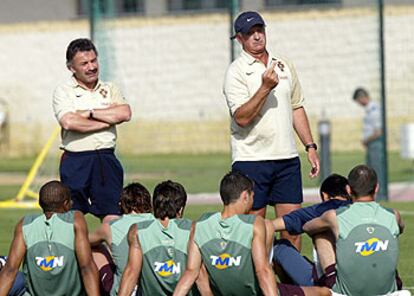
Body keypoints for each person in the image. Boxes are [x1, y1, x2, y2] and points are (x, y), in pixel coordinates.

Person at [223, 11, 320, 249]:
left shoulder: (284, 65)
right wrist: (265, 87)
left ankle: (291, 287)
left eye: (260, 30)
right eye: (249, 33)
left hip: (286, 160)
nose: (257, 37)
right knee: (254, 234)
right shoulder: (236, 72)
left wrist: (310, 146)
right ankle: (256, 286)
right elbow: (242, 118)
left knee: (292, 231)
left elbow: (296, 107)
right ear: (239, 39)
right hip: (252, 161)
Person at [173, 171, 330, 296]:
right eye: (253, 196)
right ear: (245, 196)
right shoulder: (255, 225)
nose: (253, 200)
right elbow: (263, 271)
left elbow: (191, 273)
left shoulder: (199, 226)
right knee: (323, 293)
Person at [52, 38, 132, 221]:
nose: (91, 67)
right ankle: (82, 249)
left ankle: (105, 250)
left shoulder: (110, 88)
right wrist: (106, 120)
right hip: (75, 161)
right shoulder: (63, 91)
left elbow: (125, 113)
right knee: (73, 219)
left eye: (93, 61)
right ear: (71, 67)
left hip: (106, 159)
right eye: (84, 63)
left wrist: (88, 113)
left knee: (112, 218)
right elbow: (69, 122)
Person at [304, 165, 405, 295]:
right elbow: (401, 228)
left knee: (321, 233)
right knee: (388, 237)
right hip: (387, 290)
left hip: (348, 291)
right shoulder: (394, 215)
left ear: (348, 189)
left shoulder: (334, 216)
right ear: (377, 188)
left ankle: (331, 284)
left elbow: (307, 227)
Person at [0, 180, 100, 296]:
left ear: (40, 203)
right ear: (66, 203)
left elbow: (10, 271)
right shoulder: (76, 220)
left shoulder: (24, 224)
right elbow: (86, 267)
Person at [118, 180, 209, 296]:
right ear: (180, 209)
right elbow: (201, 278)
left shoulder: (137, 231)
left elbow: (131, 274)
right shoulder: (193, 230)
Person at [270, 174, 352, 286]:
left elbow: (276, 224)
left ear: (325, 196)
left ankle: (295, 290)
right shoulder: (361, 210)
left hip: (328, 283)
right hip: (363, 278)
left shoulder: (321, 210)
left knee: (279, 247)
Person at [89, 182, 154, 295]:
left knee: (93, 249)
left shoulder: (110, 227)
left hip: (122, 289)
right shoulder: (157, 223)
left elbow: (84, 242)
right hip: (153, 287)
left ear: (121, 204)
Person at [352, 87, 385, 200]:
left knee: (377, 170)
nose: (358, 104)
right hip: (371, 144)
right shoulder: (369, 110)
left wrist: (366, 140)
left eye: (358, 101)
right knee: (371, 170)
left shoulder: (374, 110)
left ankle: (380, 195)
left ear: (362, 97)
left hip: (375, 144)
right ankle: (373, 194)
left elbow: (378, 131)